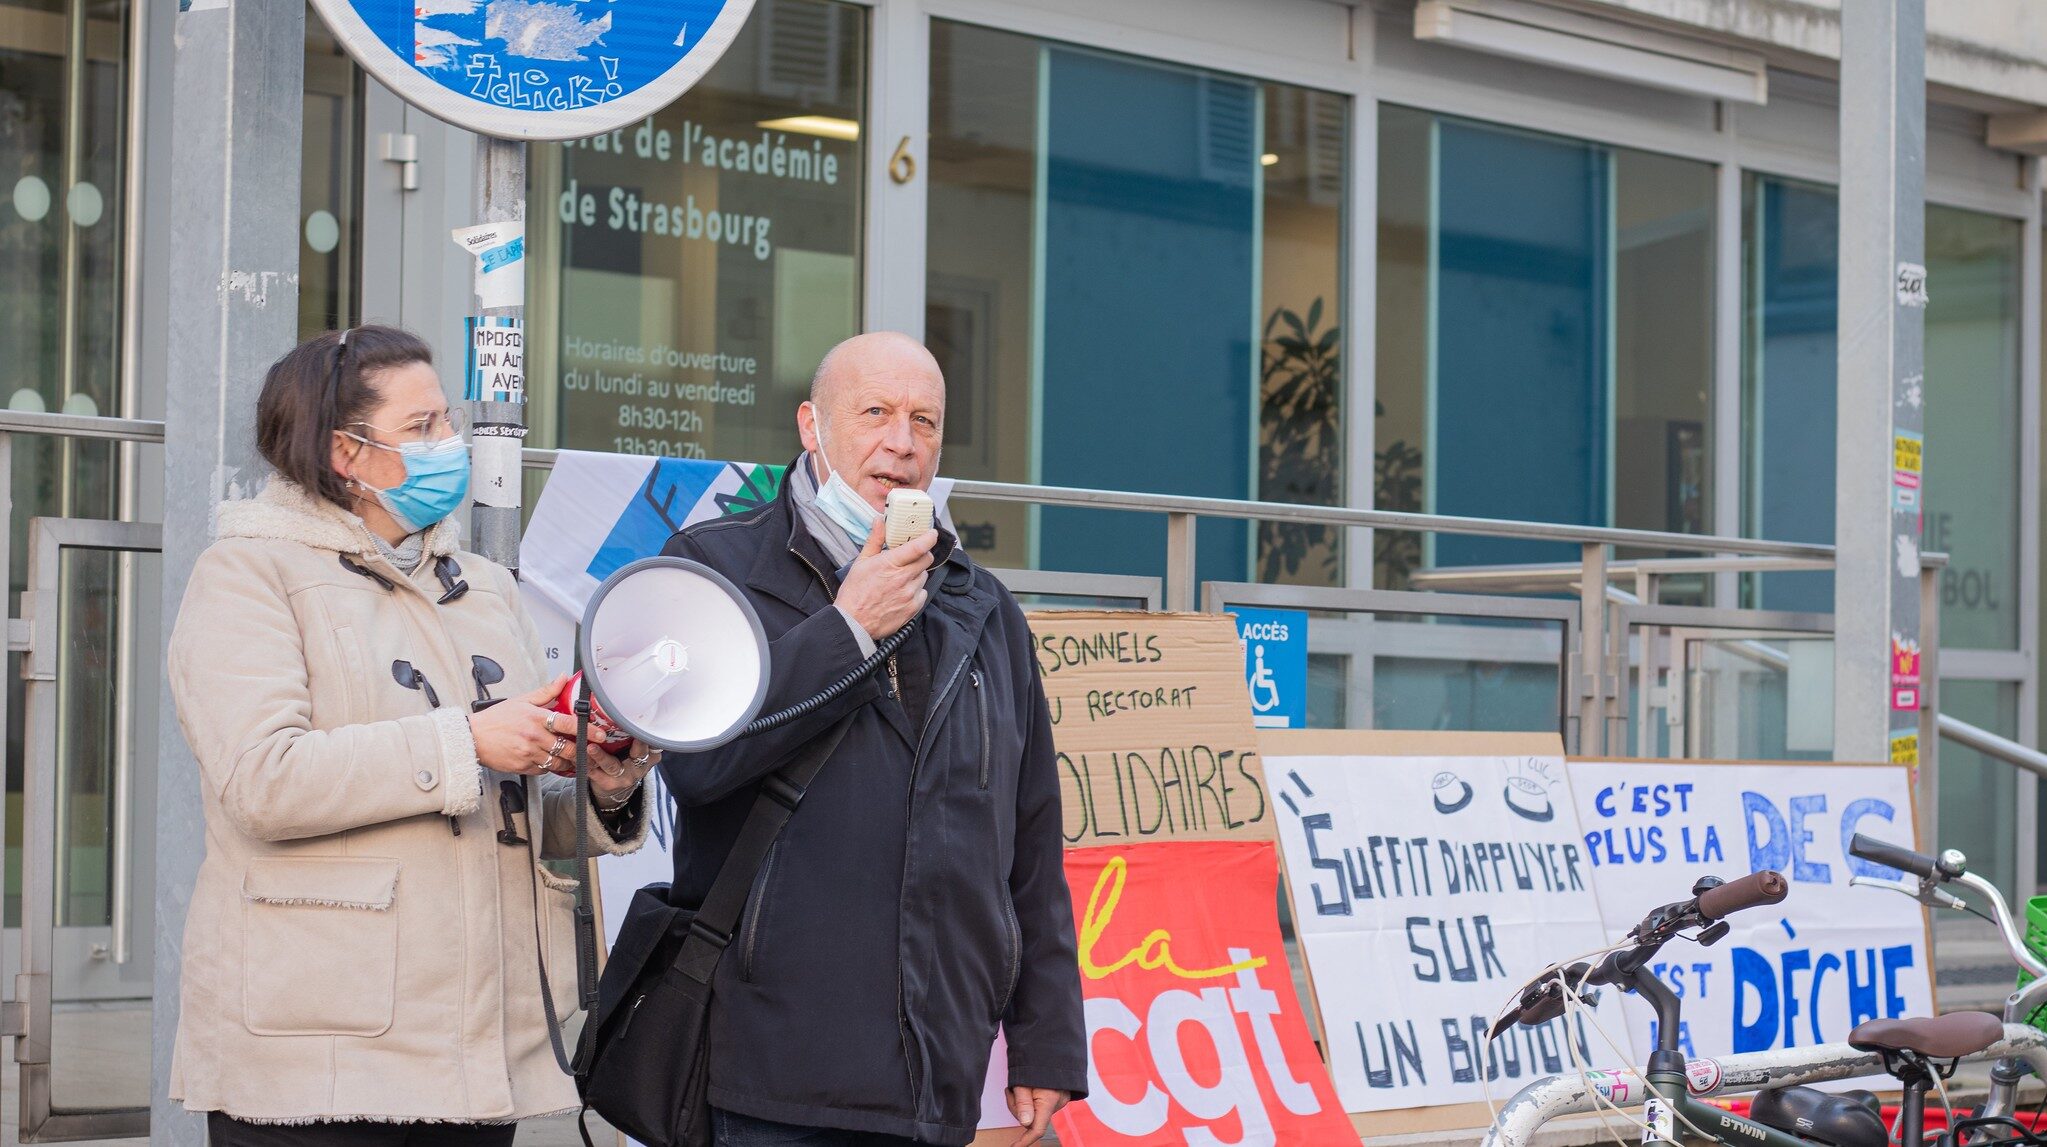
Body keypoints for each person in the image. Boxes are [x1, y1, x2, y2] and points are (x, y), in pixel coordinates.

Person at [165, 326, 654, 1144]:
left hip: (471, 1053)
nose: (449, 445)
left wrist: (601, 778)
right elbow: (261, 779)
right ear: (345, 453)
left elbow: (521, 812)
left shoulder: (488, 589)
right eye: (421, 427)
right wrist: (465, 741)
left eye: (447, 422)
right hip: (316, 1054)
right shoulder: (247, 571)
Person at [659, 332, 1087, 1147]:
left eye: (924, 421)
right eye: (876, 413)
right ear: (811, 426)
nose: (902, 442)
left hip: (937, 1070)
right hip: (770, 1072)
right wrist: (849, 628)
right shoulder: (714, 566)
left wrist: (1046, 1037)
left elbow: (1030, 838)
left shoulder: (980, 604)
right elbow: (698, 764)